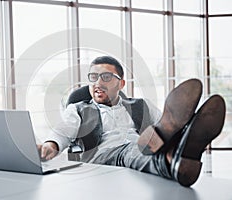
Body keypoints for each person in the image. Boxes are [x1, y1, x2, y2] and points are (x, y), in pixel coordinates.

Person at [38, 56, 226, 187]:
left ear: (121, 84)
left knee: (149, 144)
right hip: (101, 158)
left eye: (106, 77)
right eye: (93, 77)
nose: (98, 83)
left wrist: (171, 131)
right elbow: (61, 133)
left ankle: (176, 162)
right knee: (136, 148)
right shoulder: (78, 109)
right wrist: (50, 145)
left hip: (138, 150)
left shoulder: (139, 105)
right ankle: (169, 148)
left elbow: (168, 125)